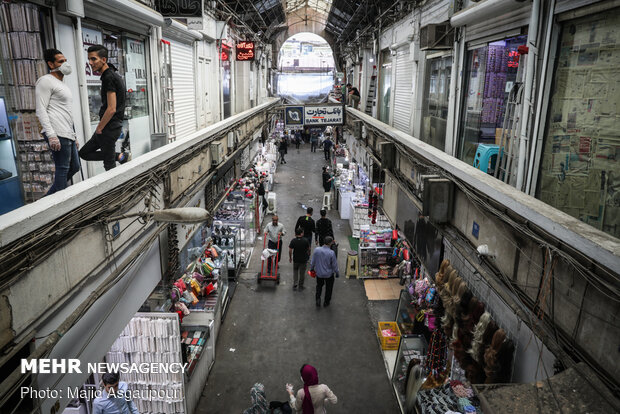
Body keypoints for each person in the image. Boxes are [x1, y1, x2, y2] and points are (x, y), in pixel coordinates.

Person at [35, 48, 81, 195]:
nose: (65, 64)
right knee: (63, 168)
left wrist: (74, 135)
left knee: (75, 167)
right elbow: (41, 109)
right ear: (51, 64)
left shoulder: (62, 84)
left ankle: (49, 198)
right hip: (57, 132)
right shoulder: (45, 81)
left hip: (68, 133)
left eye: (65, 60)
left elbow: (66, 112)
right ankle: (60, 203)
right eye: (61, 61)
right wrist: (51, 135)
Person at [79, 44, 127, 171]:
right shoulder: (111, 74)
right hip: (110, 127)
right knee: (84, 153)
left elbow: (111, 108)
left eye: (94, 59)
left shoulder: (109, 77)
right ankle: (120, 156)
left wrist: (100, 127)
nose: (90, 62)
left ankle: (117, 190)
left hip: (109, 128)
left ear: (104, 60)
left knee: (109, 166)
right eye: (89, 59)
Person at [310, 236, 339, 307]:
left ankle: (318, 299)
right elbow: (334, 265)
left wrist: (312, 269)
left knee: (319, 286)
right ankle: (326, 302)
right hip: (329, 274)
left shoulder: (317, 250)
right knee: (329, 288)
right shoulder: (331, 253)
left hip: (319, 273)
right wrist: (337, 273)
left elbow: (313, 261)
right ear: (330, 243)